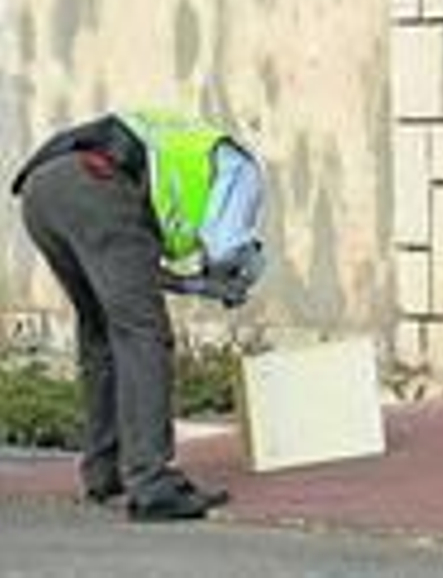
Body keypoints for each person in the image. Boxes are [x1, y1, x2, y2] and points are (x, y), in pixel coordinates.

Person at [12, 110, 266, 521]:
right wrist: (240, 271)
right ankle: (152, 484)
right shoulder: (241, 168)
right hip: (97, 185)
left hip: (44, 192)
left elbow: (138, 269)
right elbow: (225, 249)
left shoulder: (173, 151)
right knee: (144, 334)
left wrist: (196, 285)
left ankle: (104, 470)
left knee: (101, 332)